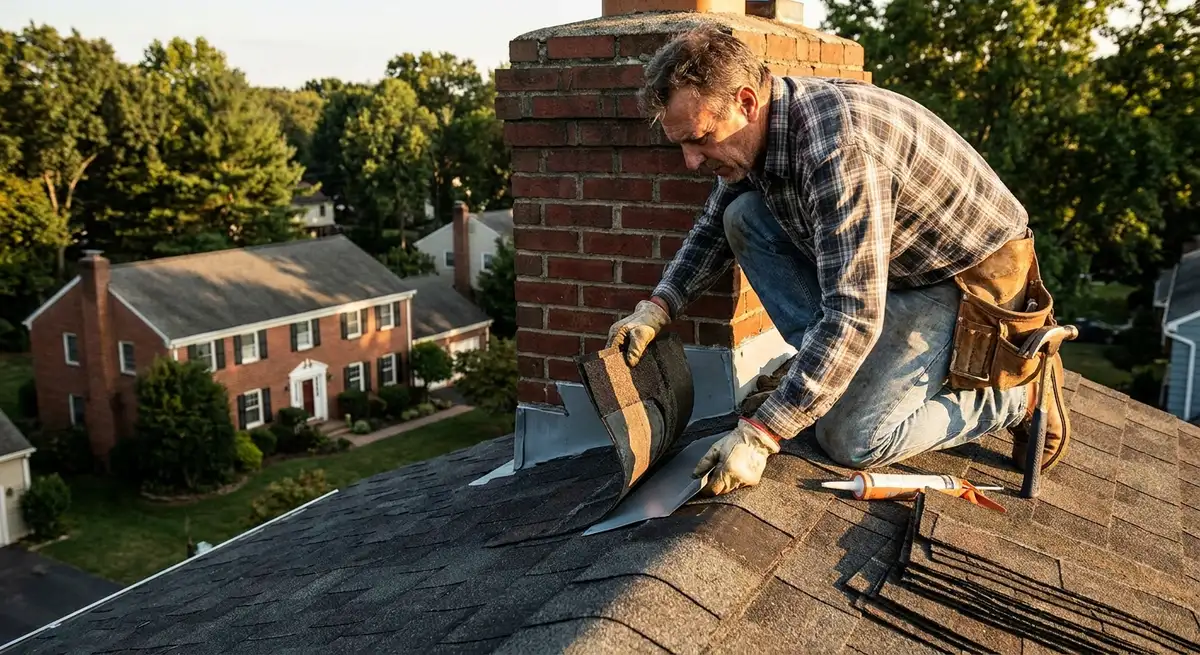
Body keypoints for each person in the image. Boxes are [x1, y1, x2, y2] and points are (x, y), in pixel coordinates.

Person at [606, 27, 1070, 497]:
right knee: (741, 215)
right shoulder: (764, 132)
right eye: (682, 144)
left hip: (964, 279)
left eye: (701, 138)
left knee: (851, 438)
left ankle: (1015, 398)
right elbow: (710, 230)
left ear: (746, 101)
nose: (690, 161)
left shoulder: (838, 149)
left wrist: (761, 434)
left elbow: (853, 315)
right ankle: (830, 380)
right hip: (897, 266)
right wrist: (658, 307)